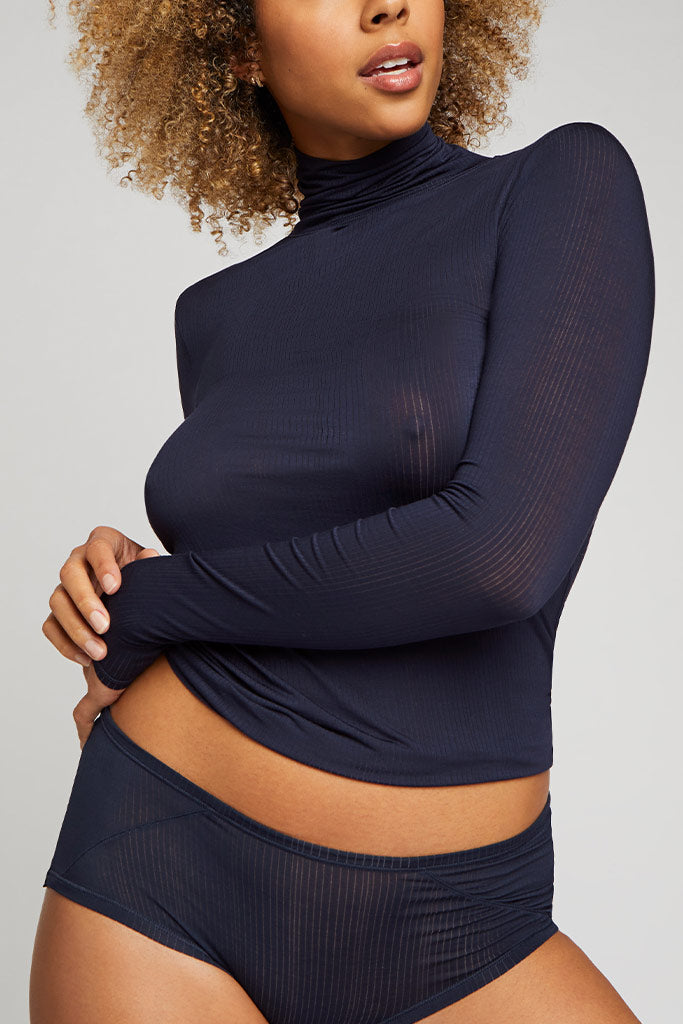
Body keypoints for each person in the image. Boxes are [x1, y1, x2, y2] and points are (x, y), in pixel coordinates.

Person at [31, 1, 655, 1022]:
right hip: (160, 872)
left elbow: (497, 556)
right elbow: (297, 561)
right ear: (235, 44)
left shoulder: (557, 185)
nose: (384, 4)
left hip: (463, 924)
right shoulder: (212, 318)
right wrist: (113, 596)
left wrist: (157, 603)